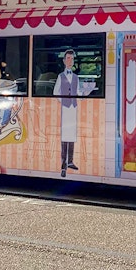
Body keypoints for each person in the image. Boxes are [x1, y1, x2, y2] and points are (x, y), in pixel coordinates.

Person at [53, 49, 79, 177]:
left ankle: (70, 161)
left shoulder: (76, 77)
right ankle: (63, 165)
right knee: (65, 136)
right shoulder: (60, 76)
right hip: (65, 108)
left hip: (73, 108)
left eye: (72, 59)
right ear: (64, 61)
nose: (70, 61)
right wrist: (63, 101)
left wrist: (84, 93)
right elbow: (55, 92)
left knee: (72, 135)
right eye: (68, 58)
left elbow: (78, 92)